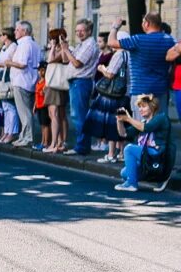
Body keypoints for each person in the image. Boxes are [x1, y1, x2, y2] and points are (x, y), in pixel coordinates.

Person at [108, 13, 175, 118]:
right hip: (160, 91)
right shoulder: (169, 40)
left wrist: (114, 27)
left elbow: (111, 42)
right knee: (158, 127)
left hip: (140, 91)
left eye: (143, 22)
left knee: (141, 128)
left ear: (147, 24)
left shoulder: (138, 40)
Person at [85, 31, 129, 164]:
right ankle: (122, 152)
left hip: (114, 95)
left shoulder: (119, 54)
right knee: (123, 123)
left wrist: (101, 68)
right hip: (125, 93)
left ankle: (111, 154)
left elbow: (110, 74)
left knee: (112, 124)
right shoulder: (129, 54)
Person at [114, 94, 167, 191]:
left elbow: (147, 128)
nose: (140, 109)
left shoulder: (161, 118)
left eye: (143, 106)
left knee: (129, 149)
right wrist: (120, 121)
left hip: (158, 154)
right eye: (139, 107)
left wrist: (129, 119)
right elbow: (124, 134)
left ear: (152, 106)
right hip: (147, 156)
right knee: (124, 173)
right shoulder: (143, 121)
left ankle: (132, 184)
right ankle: (154, 177)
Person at [62, 18, 99, 155]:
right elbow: (67, 61)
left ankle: (82, 146)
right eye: (77, 31)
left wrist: (66, 50)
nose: (79, 33)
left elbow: (77, 63)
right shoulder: (81, 44)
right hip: (76, 82)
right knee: (76, 115)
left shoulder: (90, 44)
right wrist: (64, 49)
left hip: (81, 82)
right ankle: (81, 144)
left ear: (89, 30)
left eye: (82, 30)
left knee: (79, 116)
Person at [6, 20, 41, 147]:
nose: (15, 32)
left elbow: (22, 64)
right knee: (26, 111)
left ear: (24, 31)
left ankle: (28, 137)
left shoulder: (25, 44)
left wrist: (9, 62)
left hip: (22, 81)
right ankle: (24, 135)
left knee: (25, 112)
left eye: (17, 29)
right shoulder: (34, 44)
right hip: (30, 80)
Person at [42, 28, 69, 153]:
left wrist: (53, 47)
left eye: (52, 38)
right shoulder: (63, 49)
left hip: (56, 84)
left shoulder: (64, 49)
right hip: (54, 83)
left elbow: (50, 60)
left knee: (55, 114)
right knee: (58, 114)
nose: (51, 40)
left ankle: (55, 142)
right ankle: (59, 141)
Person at [0, 29, 21, 143]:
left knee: (10, 106)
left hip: (9, 78)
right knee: (4, 107)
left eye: (2, 35)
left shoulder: (13, 46)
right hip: (2, 77)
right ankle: (6, 131)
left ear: (6, 36)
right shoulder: (4, 47)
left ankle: (12, 132)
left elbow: (11, 62)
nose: (0, 37)